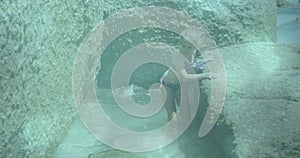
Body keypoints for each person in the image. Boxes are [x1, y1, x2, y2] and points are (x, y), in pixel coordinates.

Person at [160, 35, 214, 121]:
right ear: (179, 44)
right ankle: (171, 133)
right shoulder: (178, 56)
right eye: (183, 46)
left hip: (179, 86)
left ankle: (183, 131)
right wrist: (206, 75)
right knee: (172, 115)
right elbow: (185, 76)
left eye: (189, 47)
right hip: (167, 86)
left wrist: (205, 61)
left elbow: (191, 65)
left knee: (186, 115)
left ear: (196, 48)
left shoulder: (192, 54)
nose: (185, 50)